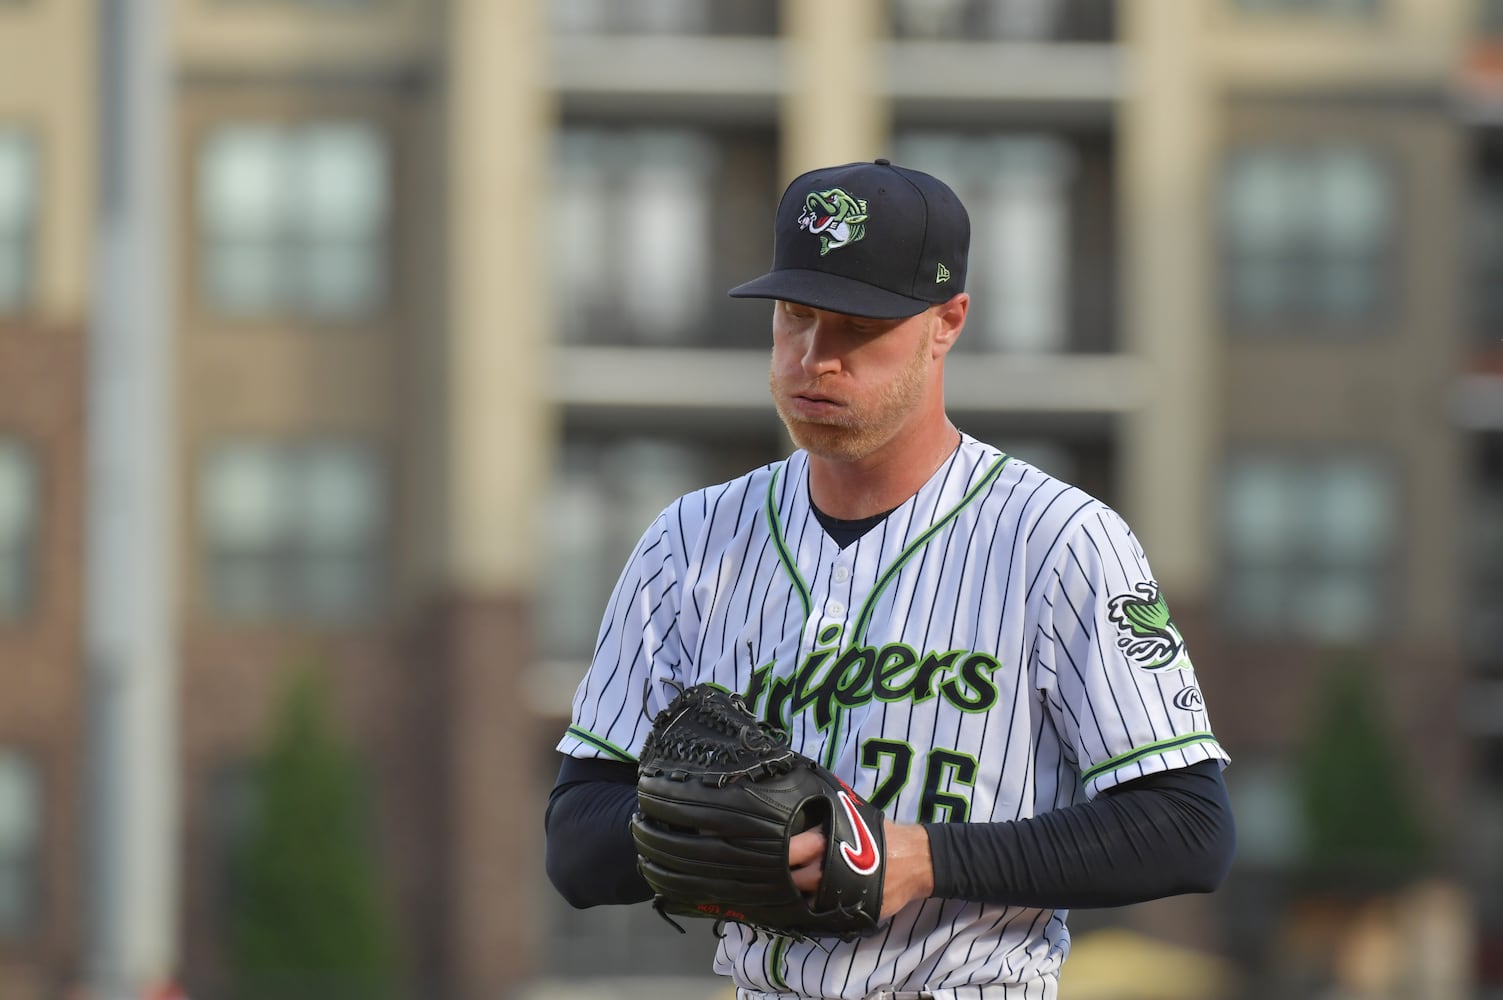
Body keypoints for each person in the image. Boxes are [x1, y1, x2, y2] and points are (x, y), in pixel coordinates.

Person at [545, 158, 1235, 1000]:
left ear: (946, 322)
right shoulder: (686, 542)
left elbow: (1186, 827)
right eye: (794, 316)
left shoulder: (1060, 540)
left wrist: (924, 857)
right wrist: (733, 838)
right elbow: (575, 841)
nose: (814, 359)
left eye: (857, 327)